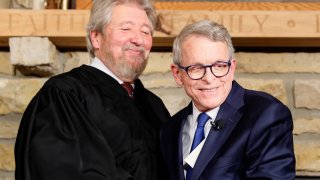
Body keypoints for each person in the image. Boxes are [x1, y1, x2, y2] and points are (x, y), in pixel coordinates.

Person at [14, 0, 170, 179]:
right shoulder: (64, 96)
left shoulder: (154, 107)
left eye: (146, 32)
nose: (138, 39)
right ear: (96, 37)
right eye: (126, 29)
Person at [160, 20, 295, 180]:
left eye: (219, 66)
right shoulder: (169, 130)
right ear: (177, 74)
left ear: (231, 69)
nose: (209, 79)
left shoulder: (265, 115)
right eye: (196, 68)